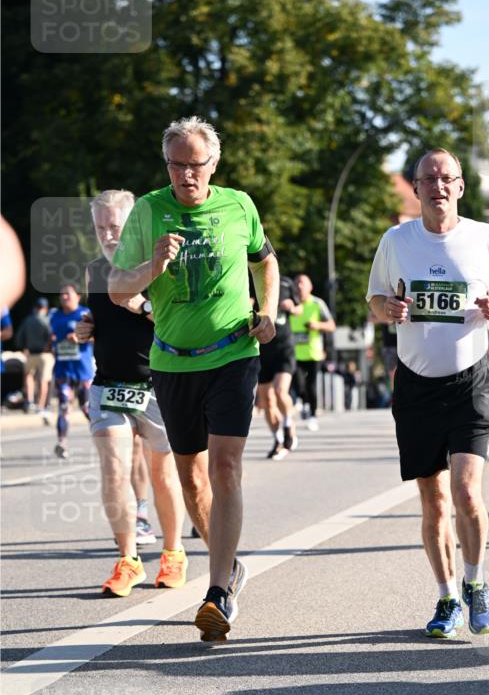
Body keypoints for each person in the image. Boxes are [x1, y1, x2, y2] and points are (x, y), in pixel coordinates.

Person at [110, 115, 279, 640]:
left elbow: (265, 262)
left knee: (225, 466)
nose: (186, 174)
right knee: (192, 480)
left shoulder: (239, 205)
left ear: (214, 163)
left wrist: (268, 311)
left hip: (233, 353)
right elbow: (117, 288)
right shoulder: (148, 211)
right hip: (172, 361)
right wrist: (152, 268)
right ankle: (230, 565)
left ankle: (217, 593)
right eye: (176, 165)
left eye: (195, 164)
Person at [367, 147, 489, 640]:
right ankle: (448, 597)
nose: (438, 186)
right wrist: (387, 309)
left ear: (460, 186)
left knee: (467, 492)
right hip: (415, 384)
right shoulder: (396, 239)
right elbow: (374, 298)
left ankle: (477, 584)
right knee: (433, 501)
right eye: (428, 178)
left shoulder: (484, 237)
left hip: (471, 380)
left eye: (447, 177)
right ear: (415, 188)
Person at [76, 189, 188, 597]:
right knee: (114, 471)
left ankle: (173, 553)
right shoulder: (93, 271)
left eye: (115, 227)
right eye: (100, 227)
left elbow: (179, 321)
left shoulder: (159, 265)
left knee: (164, 476)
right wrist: (87, 326)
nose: (107, 235)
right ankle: (129, 560)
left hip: (158, 385)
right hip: (110, 385)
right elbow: (100, 317)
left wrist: (142, 306)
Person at [257, 274, 300, 460]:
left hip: (284, 346)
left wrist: (292, 306)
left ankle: (289, 424)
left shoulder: (286, 282)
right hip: (261, 348)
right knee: (266, 400)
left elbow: (299, 308)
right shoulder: (249, 280)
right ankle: (278, 439)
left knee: (280, 390)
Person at [50, 283, 94, 459]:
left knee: (86, 408)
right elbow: (52, 337)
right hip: (62, 369)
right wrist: (52, 342)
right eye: (61, 294)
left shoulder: (85, 314)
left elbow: (98, 336)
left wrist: (80, 338)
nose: (64, 297)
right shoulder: (55, 316)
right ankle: (62, 443)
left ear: (78, 296)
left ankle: (103, 438)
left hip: (82, 370)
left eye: (67, 294)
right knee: (63, 405)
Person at [290, 273, 336, 431]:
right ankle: (304, 403)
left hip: (314, 353)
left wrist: (317, 325)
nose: (299, 286)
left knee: (312, 386)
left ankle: (313, 417)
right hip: (295, 353)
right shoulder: (290, 304)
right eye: (297, 283)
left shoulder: (317, 303)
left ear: (310, 287)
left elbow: (331, 325)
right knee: (298, 384)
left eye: (302, 283)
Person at [15, 298, 54, 422]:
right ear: (45, 308)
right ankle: (41, 406)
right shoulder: (47, 320)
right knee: (44, 380)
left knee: (28, 376)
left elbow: (19, 338)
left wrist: (24, 347)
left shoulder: (28, 320)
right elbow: (52, 336)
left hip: (31, 354)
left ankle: (30, 401)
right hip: (45, 354)